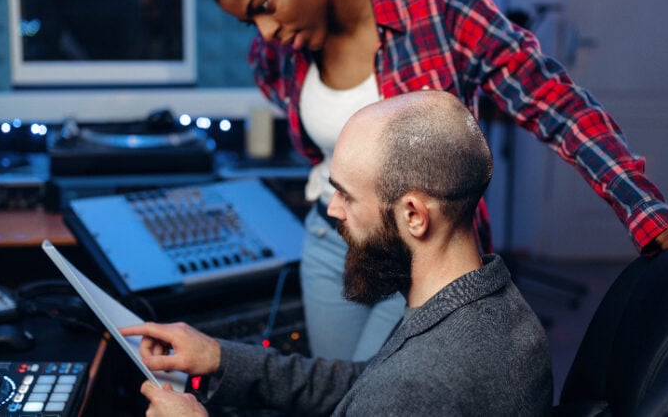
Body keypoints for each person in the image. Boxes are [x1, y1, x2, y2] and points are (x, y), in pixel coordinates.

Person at [160, 0, 668, 361]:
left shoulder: (443, 8)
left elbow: (559, 107)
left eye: (265, 5)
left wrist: (652, 218)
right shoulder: (277, 61)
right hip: (331, 241)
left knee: (381, 391)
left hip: (424, 256)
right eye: (249, 21)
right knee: (335, 391)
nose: (263, 33)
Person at [120, 90, 554, 416]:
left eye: (346, 195)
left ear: (413, 215)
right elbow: (365, 381)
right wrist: (220, 357)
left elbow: (391, 390)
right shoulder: (491, 304)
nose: (333, 209)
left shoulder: (421, 384)